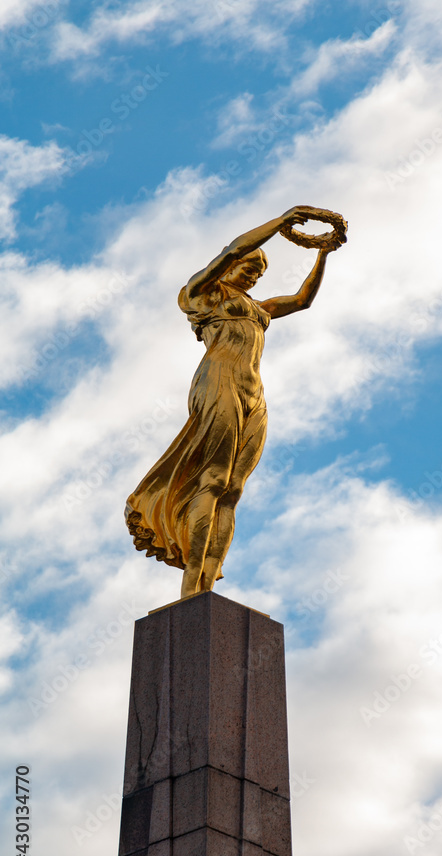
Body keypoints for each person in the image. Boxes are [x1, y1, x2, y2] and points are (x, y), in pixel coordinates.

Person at [125, 206, 345, 597]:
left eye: (259, 273)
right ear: (229, 267)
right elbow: (232, 249)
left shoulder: (260, 309)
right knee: (212, 480)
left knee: (233, 489)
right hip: (218, 381)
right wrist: (282, 221)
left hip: (253, 393)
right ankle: (191, 586)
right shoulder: (203, 295)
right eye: (249, 267)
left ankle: (208, 585)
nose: (254, 276)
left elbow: (302, 300)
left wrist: (322, 254)